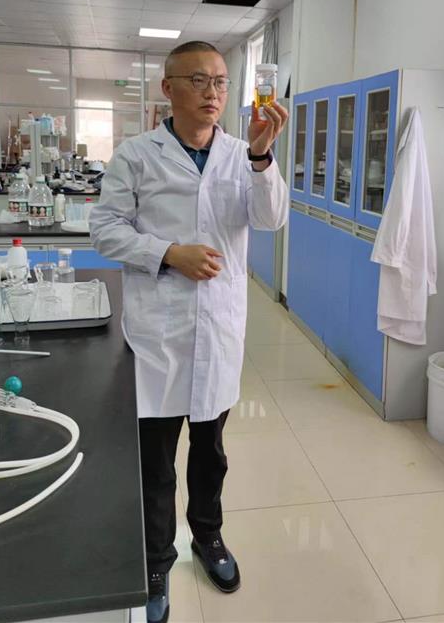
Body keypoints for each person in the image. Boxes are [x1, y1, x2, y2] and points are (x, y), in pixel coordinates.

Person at [89, 41, 289, 623]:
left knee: (211, 453)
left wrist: (261, 157)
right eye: (199, 80)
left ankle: (208, 537)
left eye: (221, 82)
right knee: (155, 463)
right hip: (159, 334)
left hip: (218, 330)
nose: (213, 92)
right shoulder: (136, 155)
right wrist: (168, 252)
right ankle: (156, 562)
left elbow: (271, 217)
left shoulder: (242, 154)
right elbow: (104, 230)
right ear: (168, 88)